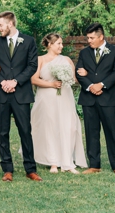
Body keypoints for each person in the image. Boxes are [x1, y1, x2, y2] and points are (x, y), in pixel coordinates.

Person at [0, 11, 41, 182]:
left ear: (10, 24)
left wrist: (15, 82)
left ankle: (30, 169)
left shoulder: (29, 41)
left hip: (21, 93)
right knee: (2, 132)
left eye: (0, 25)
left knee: (25, 131)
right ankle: (7, 169)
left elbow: (32, 66)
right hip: (1, 94)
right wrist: (2, 82)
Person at [28, 33, 86, 174]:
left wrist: (80, 75)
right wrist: (51, 84)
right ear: (49, 45)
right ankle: (53, 162)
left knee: (69, 127)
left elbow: (74, 79)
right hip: (46, 98)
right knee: (50, 128)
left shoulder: (66, 60)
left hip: (65, 97)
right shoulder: (40, 59)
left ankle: (68, 162)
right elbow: (33, 79)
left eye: (61, 43)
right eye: (58, 43)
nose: (62, 46)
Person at [75, 23, 115, 176]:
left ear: (101, 37)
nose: (89, 40)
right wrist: (91, 86)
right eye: (88, 38)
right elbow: (79, 72)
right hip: (89, 99)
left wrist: (101, 85)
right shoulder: (84, 53)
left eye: (91, 38)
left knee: (112, 132)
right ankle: (94, 165)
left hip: (109, 99)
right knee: (91, 133)